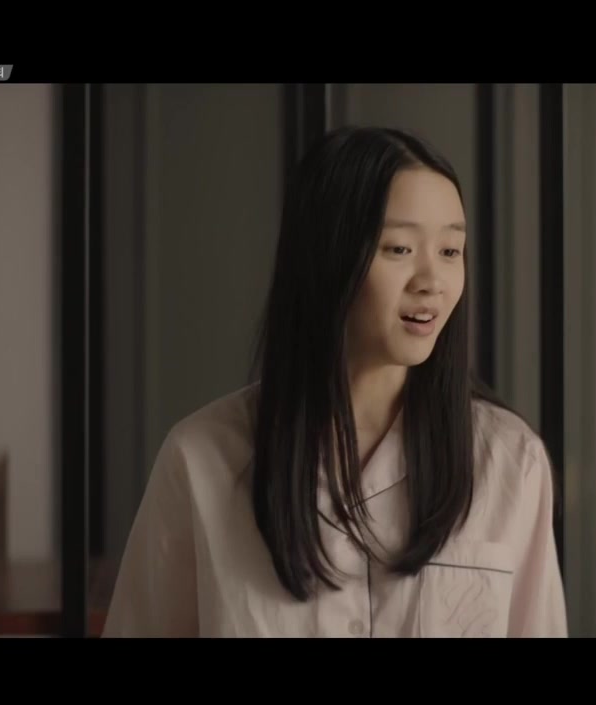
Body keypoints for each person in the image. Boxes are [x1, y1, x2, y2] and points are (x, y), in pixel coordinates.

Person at [101, 126, 567, 637]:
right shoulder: (201, 459)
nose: (432, 281)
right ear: (327, 258)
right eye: (399, 248)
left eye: (451, 251)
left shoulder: (511, 462)